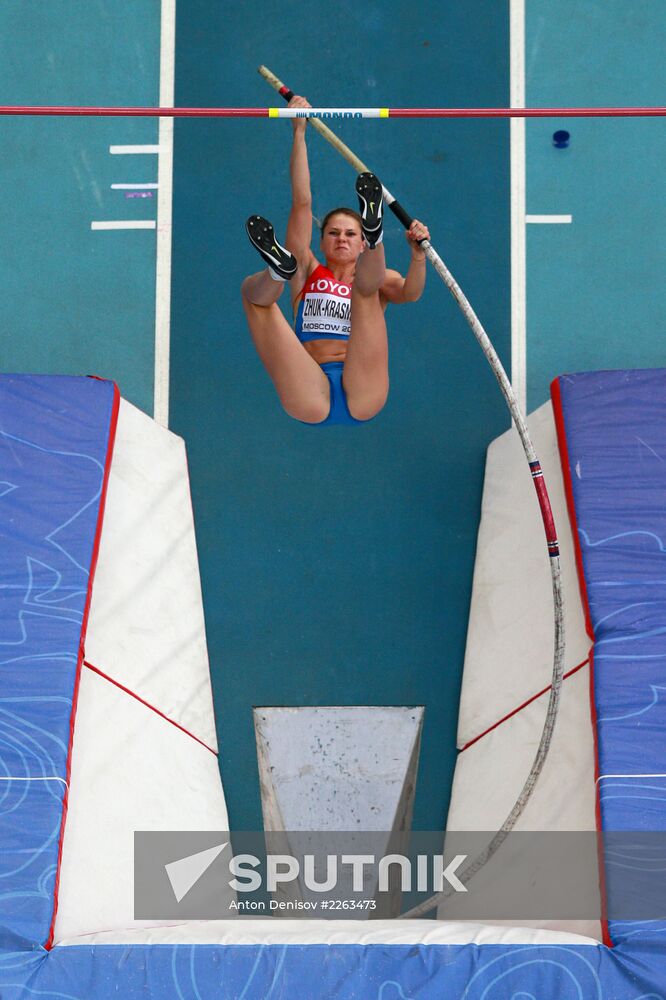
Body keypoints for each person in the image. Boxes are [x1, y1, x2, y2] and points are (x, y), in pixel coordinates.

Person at [241, 95, 430, 426]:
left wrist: (418, 257)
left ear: (358, 244)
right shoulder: (308, 270)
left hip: (363, 388)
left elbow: (411, 293)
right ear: (322, 241)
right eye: (333, 233)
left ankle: (377, 235)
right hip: (310, 389)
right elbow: (302, 201)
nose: (341, 238)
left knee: (365, 290)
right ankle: (276, 270)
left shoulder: (382, 280)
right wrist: (299, 132)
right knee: (253, 295)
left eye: (351, 234)